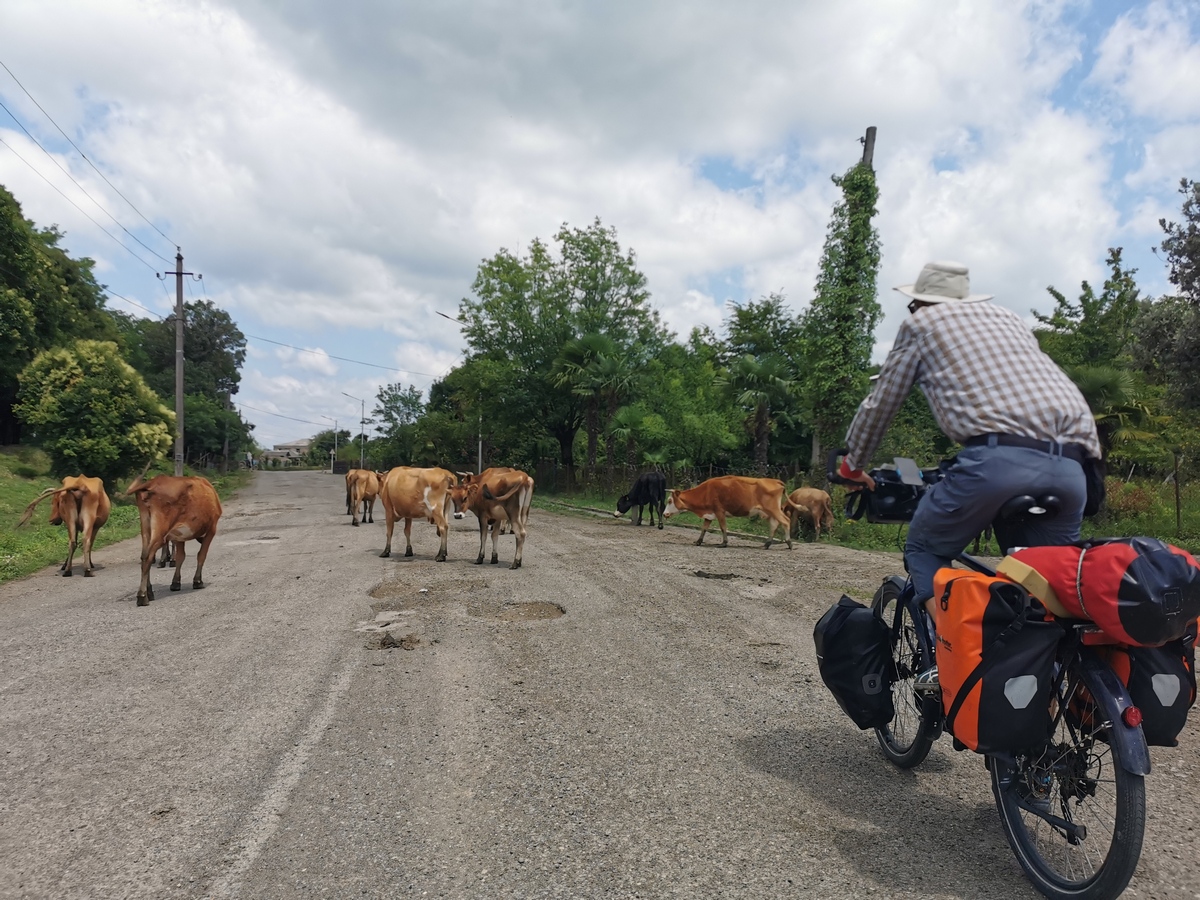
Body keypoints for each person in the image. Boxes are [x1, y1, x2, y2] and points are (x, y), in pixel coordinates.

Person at [837, 260, 1102, 688]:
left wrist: (853, 465)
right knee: (1046, 584)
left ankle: (954, 656)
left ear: (920, 303)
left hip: (997, 465)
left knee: (924, 548)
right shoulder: (1009, 320)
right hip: (1074, 469)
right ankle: (1055, 687)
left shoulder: (923, 323)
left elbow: (881, 403)